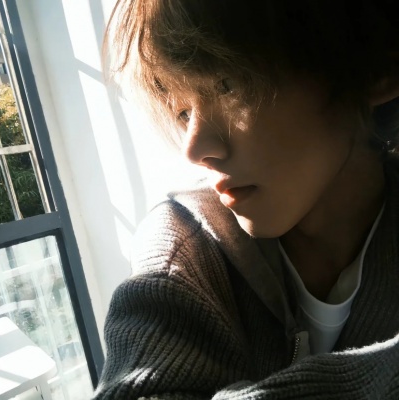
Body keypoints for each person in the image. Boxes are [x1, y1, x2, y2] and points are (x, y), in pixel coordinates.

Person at [94, 1, 399, 398]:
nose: (195, 149)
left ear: (374, 69)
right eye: (183, 113)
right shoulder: (185, 244)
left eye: (227, 85)